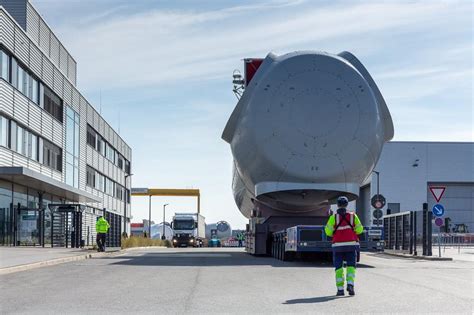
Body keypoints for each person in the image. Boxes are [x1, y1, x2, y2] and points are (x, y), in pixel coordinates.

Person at [325, 196, 364, 296]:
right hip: (351, 245)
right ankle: (350, 284)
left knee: (338, 267)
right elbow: (359, 230)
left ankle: (340, 289)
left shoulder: (333, 217)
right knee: (351, 266)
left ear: (337, 205)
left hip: (337, 246)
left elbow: (328, 232)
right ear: (347, 205)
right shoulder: (353, 216)